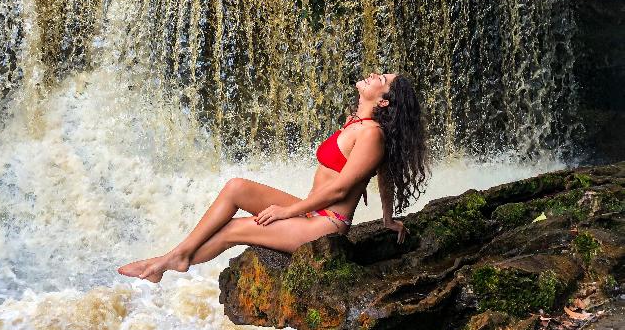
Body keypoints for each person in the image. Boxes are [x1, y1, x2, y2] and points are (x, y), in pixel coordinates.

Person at [117, 72, 429, 283]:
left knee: (233, 229)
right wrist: (388, 218)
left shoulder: (372, 134)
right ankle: (174, 256)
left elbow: (340, 190)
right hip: (312, 212)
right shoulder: (356, 124)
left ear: (383, 101)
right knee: (236, 187)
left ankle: (169, 262)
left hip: (325, 225)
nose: (375, 74)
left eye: (382, 79)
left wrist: (287, 211)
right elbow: (385, 172)